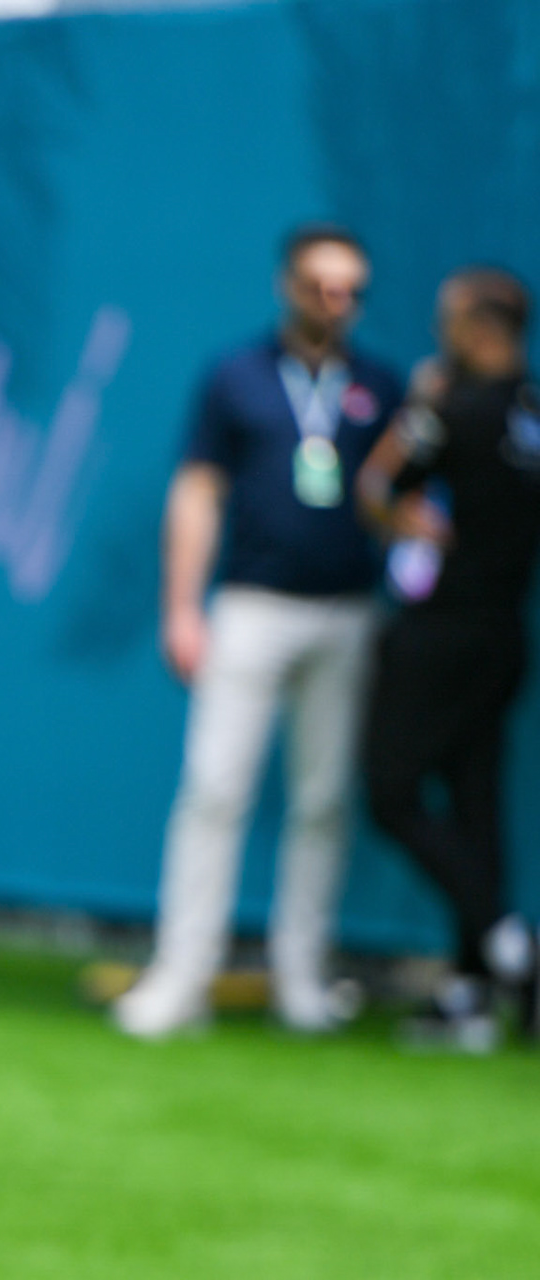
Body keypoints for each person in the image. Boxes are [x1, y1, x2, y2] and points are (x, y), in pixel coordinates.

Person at [115, 226, 405, 1038]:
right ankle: (182, 976)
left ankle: (301, 978)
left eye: (352, 289)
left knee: (321, 799)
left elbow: (403, 496)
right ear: (289, 285)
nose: (336, 303)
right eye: (322, 285)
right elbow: (198, 491)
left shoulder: (380, 383)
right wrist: (182, 606)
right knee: (214, 788)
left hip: (347, 613)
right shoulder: (236, 376)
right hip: (250, 608)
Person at [357, 268, 540, 1050]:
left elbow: (372, 486)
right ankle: (467, 998)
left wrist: (409, 517)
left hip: (438, 635)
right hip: (503, 636)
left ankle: (508, 948)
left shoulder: (449, 409)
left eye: (447, 319)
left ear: (475, 327)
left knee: (391, 791)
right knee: (473, 800)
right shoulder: (531, 411)